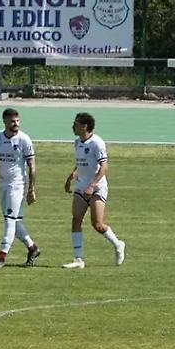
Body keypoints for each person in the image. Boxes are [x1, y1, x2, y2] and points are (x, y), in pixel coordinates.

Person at [64, 112, 126, 268]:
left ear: (84, 126)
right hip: (80, 187)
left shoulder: (97, 143)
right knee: (76, 219)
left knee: (97, 224)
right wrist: (71, 176)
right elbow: (81, 162)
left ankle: (118, 244)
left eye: (76, 123)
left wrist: (92, 185)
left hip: (97, 188)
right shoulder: (77, 142)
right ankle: (78, 259)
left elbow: (104, 167)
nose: (73, 126)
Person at [0, 107, 40, 268]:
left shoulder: (24, 140)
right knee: (14, 221)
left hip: (17, 185)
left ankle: (1, 257)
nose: (16, 124)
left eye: (17, 121)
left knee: (9, 220)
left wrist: (31, 189)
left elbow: (32, 166)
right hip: (2, 185)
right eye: (12, 121)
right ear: (5, 121)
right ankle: (32, 247)